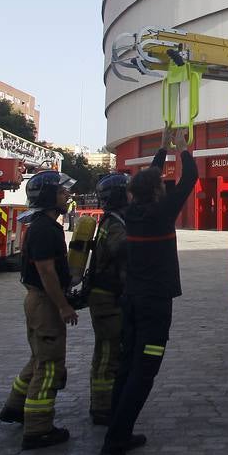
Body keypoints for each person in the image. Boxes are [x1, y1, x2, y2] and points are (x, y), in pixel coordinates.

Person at [96, 127, 198, 455]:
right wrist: (181, 147)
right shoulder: (159, 213)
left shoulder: (133, 212)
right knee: (144, 373)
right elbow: (192, 177)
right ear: (156, 191)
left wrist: (161, 149)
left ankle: (118, 434)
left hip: (133, 303)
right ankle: (113, 447)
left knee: (128, 367)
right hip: (155, 306)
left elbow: (148, 182)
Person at [0, 172, 79, 449]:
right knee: (48, 365)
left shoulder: (44, 225)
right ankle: (38, 427)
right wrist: (64, 306)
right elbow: (46, 272)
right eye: (61, 192)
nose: (66, 196)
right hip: (45, 302)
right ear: (47, 197)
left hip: (38, 301)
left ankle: (14, 407)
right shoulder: (45, 229)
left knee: (38, 357)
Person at [88, 173, 130, 425]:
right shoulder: (114, 224)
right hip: (107, 297)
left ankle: (106, 401)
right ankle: (102, 407)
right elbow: (123, 249)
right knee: (107, 353)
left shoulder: (113, 220)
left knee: (111, 350)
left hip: (109, 296)